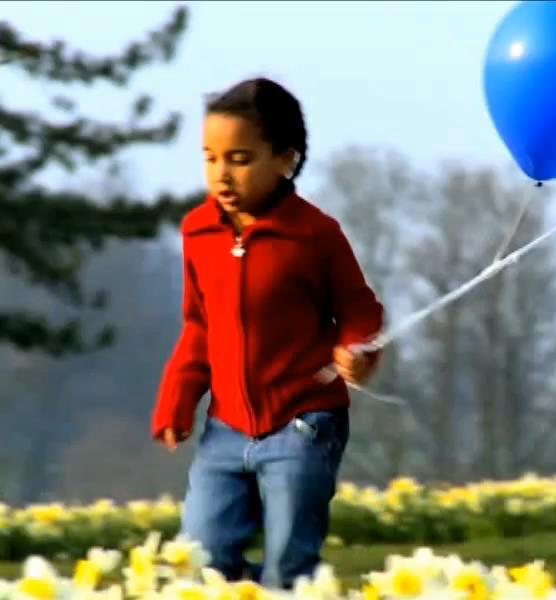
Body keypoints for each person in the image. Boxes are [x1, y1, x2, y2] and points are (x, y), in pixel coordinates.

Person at [150, 77, 384, 590]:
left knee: (290, 565)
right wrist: (177, 398)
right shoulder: (198, 232)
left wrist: (358, 349)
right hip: (226, 428)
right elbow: (198, 324)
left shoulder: (315, 234)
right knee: (201, 559)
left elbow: (359, 309)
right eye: (210, 158)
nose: (221, 174)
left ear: (285, 159)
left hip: (304, 424)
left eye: (239, 158)